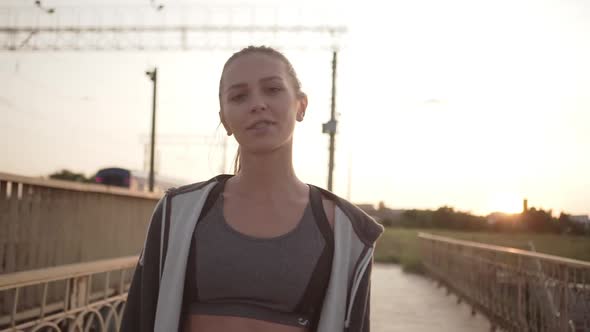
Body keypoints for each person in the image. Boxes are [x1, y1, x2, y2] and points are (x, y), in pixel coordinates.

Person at [120, 46, 384, 332]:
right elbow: (139, 317)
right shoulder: (177, 212)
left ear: (301, 106)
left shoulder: (345, 229)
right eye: (239, 96)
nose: (257, 104)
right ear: (225, 120)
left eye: (272, 89)